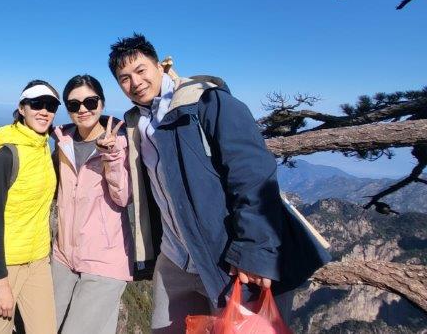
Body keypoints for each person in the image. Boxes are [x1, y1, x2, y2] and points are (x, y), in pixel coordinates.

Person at [107, 34, 331, 333]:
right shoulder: (138, 123)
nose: (135, 82)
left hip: (228, 259)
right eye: (124, 78)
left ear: (159, 66)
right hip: (175, 258)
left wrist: (254, 251)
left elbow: (253, 175)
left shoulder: (208, 103)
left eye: (141, 70)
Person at [0, 79, 61, 334]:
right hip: (3, 266)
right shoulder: (7, 154)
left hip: (37, 263)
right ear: (22, 108)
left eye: (51, 105)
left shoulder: (45, 146)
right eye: (36, 104)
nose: (44, 111)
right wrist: (1, 283)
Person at [51, 75, 132, 334]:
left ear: (102, 102)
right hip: (63, 256)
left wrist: (111, 156)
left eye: (90, 101)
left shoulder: (119, 142)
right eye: (74, 105)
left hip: (104, 260)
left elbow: (123, 197)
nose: (83, 109)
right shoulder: (62, 140)